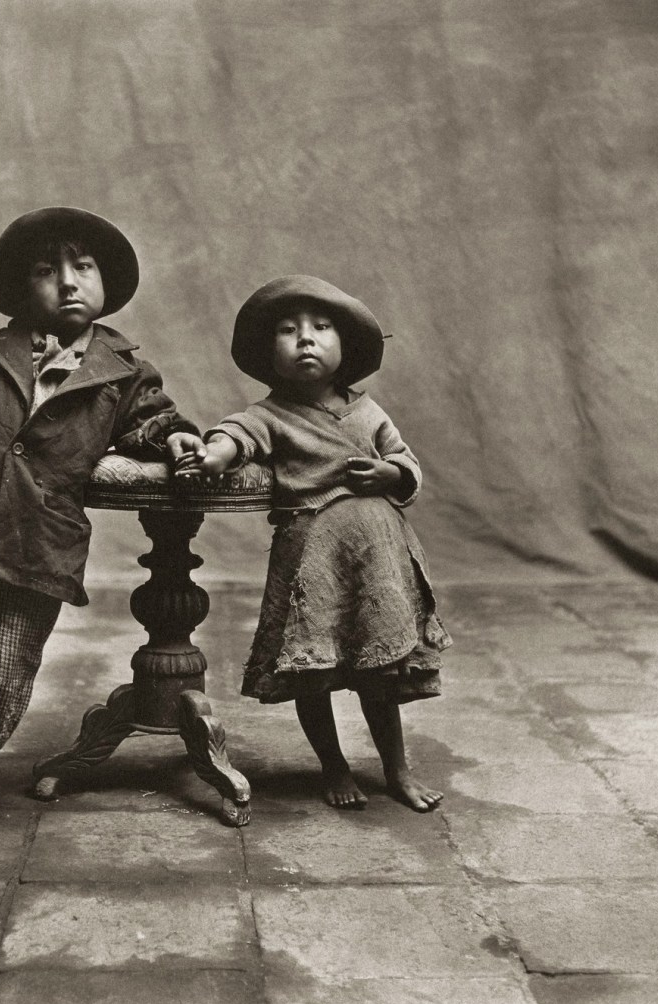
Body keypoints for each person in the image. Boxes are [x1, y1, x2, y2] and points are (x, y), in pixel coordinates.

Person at [0, 206, 197, 813]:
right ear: (23, 289)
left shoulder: (123, 370)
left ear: (105, 283)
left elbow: (151, 419)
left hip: (39, 533)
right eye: (48, 271)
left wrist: (176, 437)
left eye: (83, 267)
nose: (68, 282)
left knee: (3, 671)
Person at [168, 275, 451, 812]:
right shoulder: (269, 415)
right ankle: (335, 766)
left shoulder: (368, 412)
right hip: (311, 562)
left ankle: (397, 768)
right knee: (312, 671)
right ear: (267, 352)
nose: (305, 339)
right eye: (288, 330)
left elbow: (409, 462)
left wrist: (391, 473)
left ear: (344, 348)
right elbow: (235, 435)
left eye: (321, 328)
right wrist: (215, 455)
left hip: (379, 564)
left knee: (380, 671)